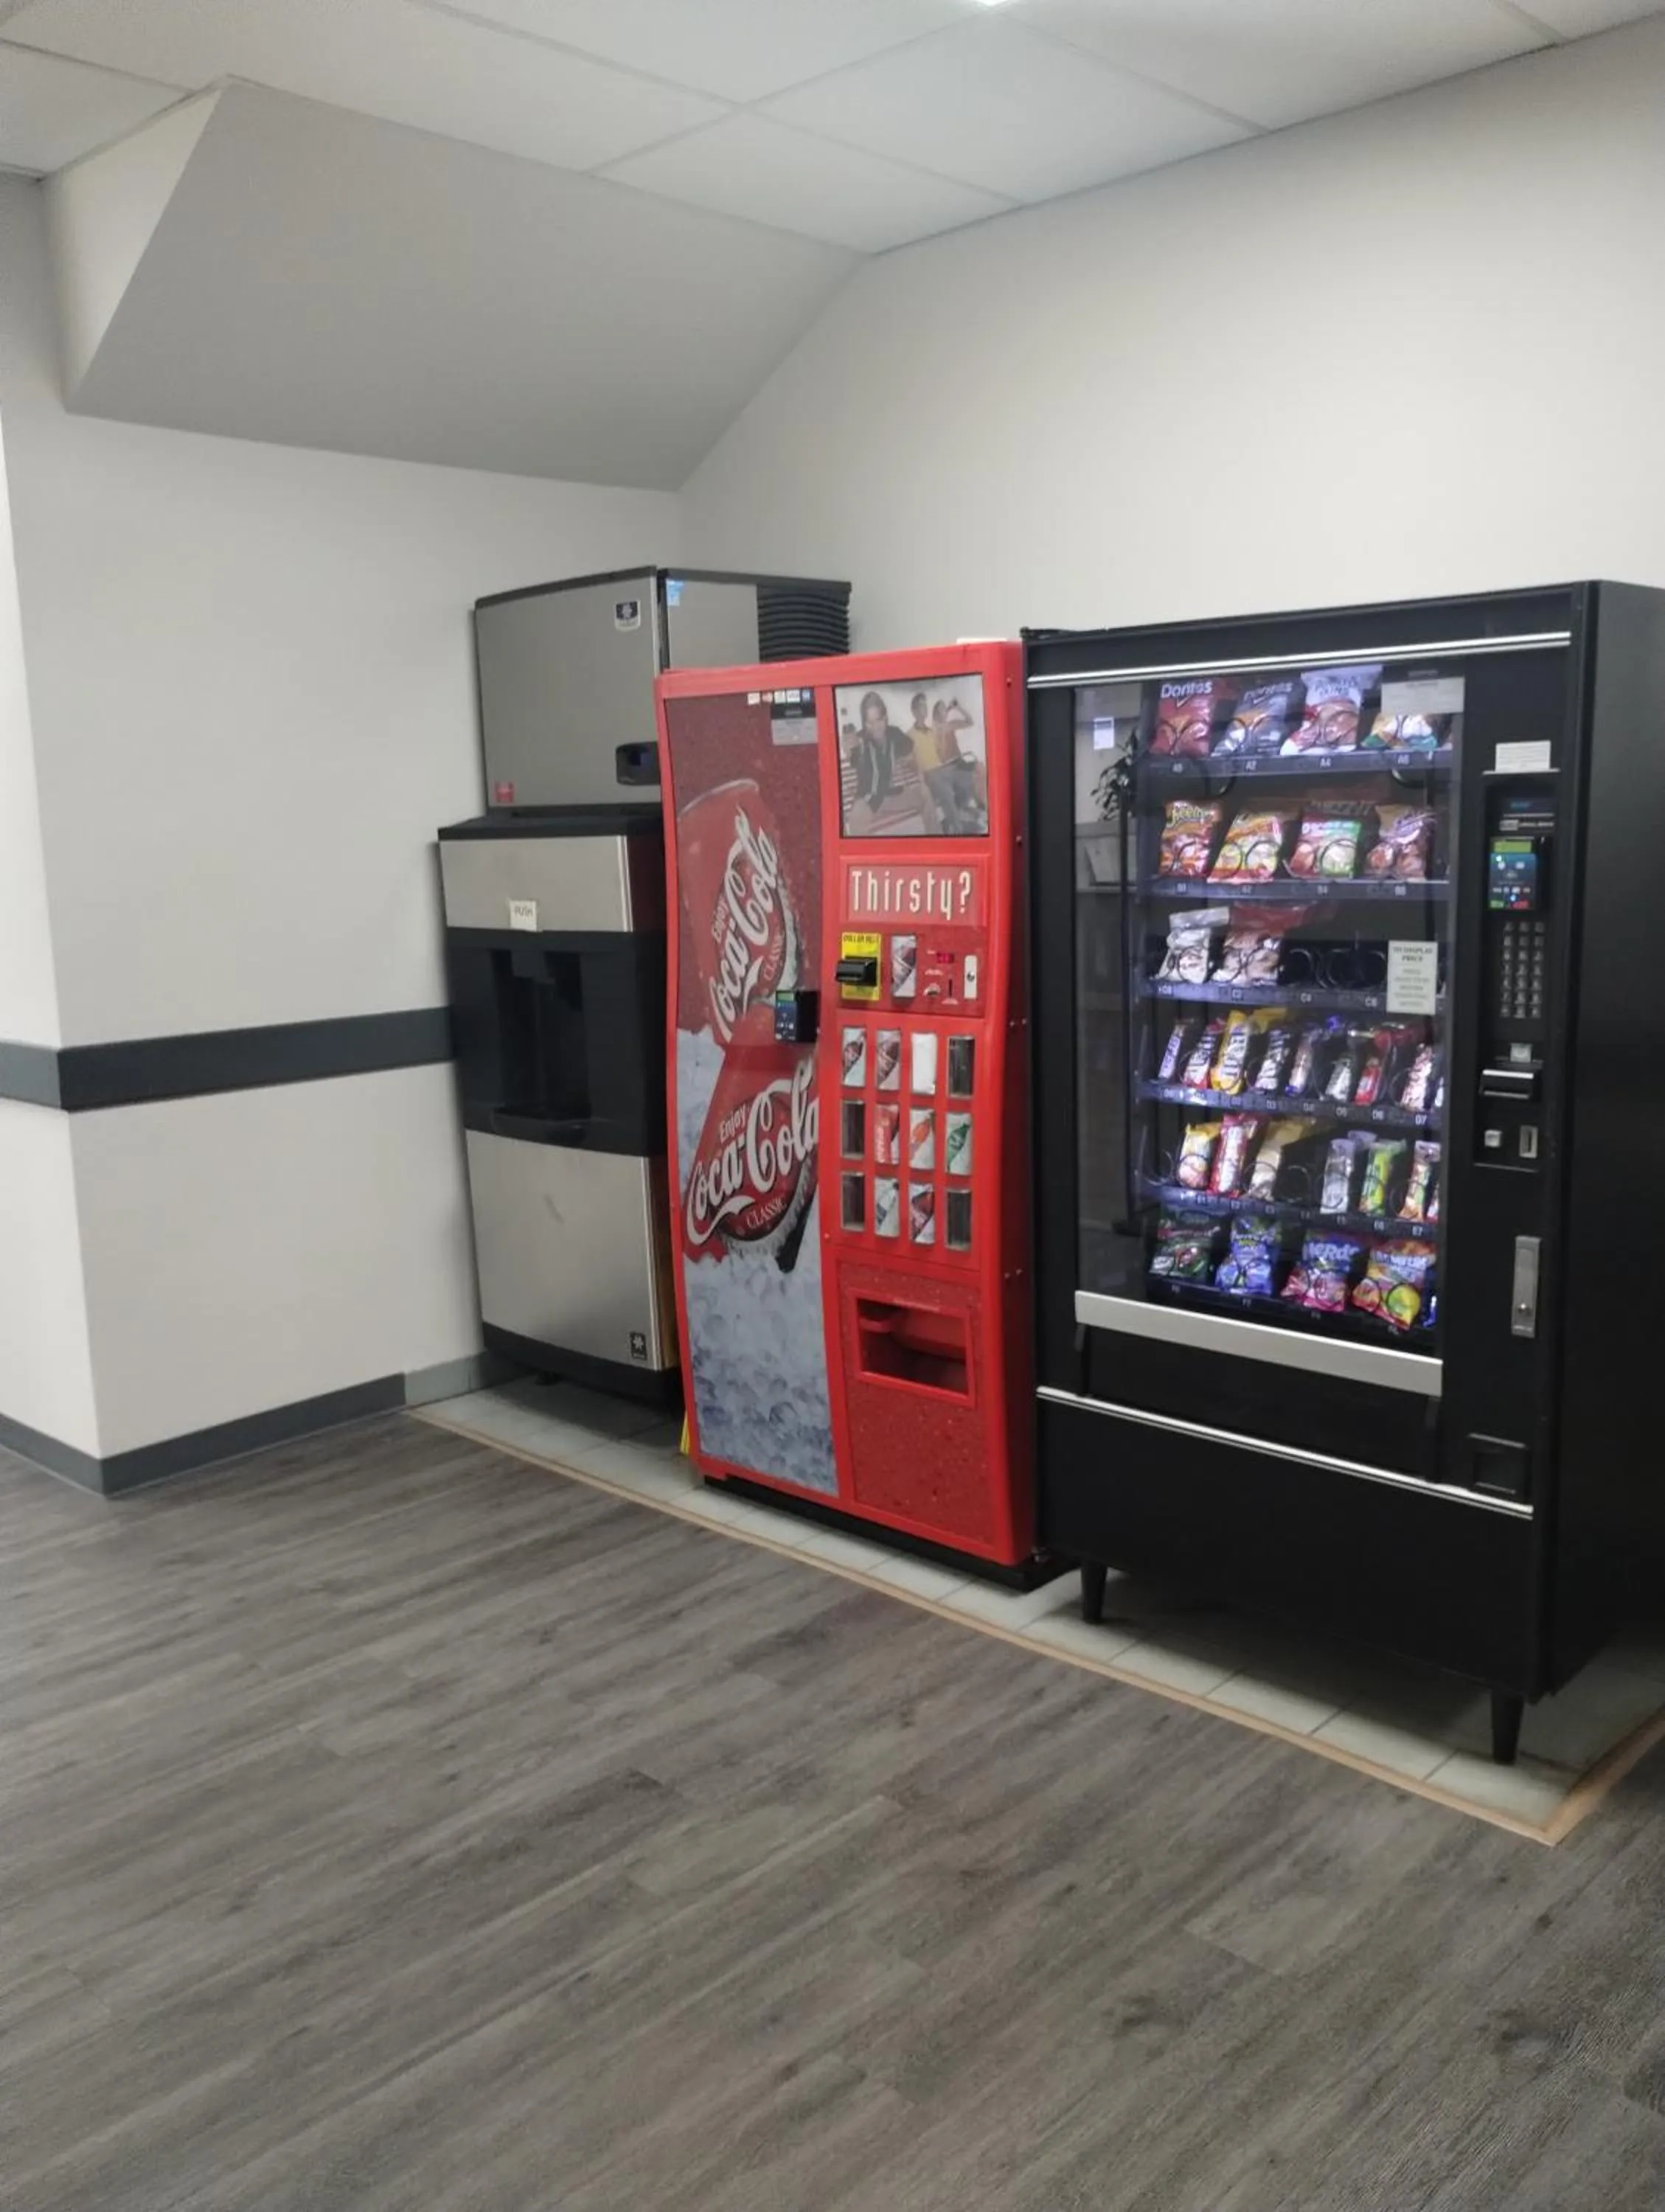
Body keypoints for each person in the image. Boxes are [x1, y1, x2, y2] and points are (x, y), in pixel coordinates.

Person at [922, 697, 988, 832]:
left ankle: (982, 806)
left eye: (944, 708)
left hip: (959, 762)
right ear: (936, 713)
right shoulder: (934, 729)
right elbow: (939, 751)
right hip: (948, 767)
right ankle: (971, 811)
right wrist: (942, 726)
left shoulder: (949, 725)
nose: (944, 711)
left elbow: (970, 721)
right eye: (941, 709)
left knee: (980, 768)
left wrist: (958, 708)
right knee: (972, 777)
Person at [847, 691, 910, 827]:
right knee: (855, 820)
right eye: (870, 723)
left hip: (890, 795)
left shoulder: (894, 733)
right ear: (864, 723)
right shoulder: (861, 740)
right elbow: (855, 759)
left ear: (885, 718)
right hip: (868, 799)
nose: (875, 727)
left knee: (924, 794)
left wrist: (915, 766)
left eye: (878, 720)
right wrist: (849, 751)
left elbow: (910, 748)